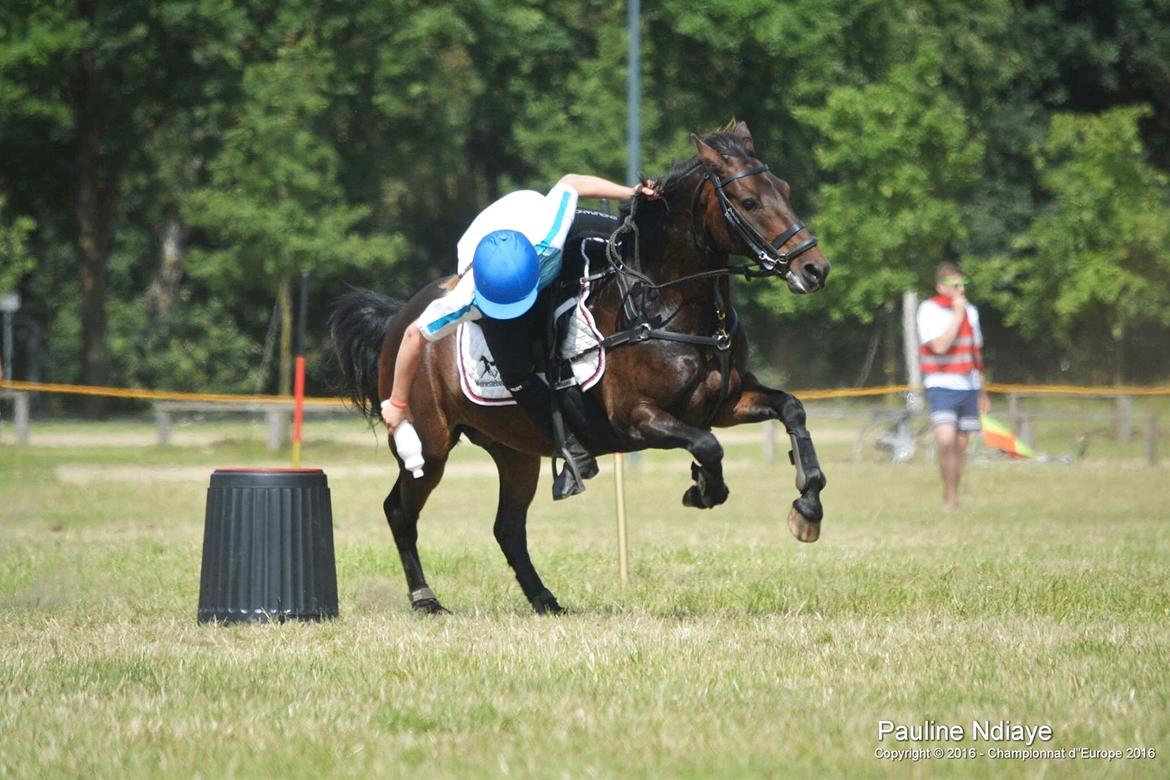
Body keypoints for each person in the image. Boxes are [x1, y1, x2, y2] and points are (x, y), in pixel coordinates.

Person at [382, 174, 658, 500]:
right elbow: (413, 336)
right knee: (514, 369)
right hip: (481, 248)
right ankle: (569, 445)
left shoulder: (550, 237)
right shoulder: (465, 296)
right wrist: (398, 403)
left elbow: (570, 183)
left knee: (627, 237)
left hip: (531, 221)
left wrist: (632, 193)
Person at [917, 262, 991, 511]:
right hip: (941, 384)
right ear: (940, 286)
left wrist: (983, 391)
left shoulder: (972, 311)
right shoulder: (929, 310)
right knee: (945, 440)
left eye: (963, 284)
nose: (960, 289)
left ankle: (954, 493)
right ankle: (949, 496)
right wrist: (958, 315)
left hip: (968, 386)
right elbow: (939, 346)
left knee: (960, 446)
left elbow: (975, 353)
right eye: (954, 284)